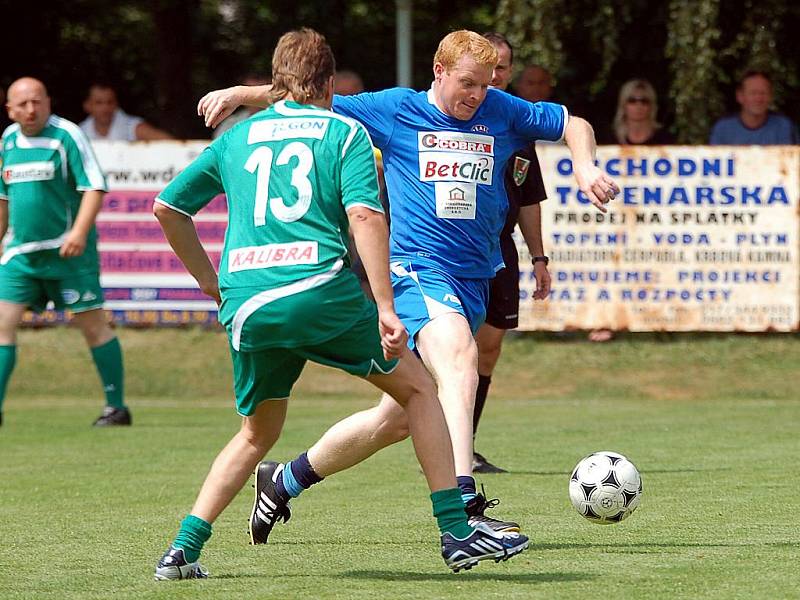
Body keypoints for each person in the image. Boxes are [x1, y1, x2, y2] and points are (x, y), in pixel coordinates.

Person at [197, 29, 618, 542]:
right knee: (459, 358)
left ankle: (284, 480)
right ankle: (466, 506)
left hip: (473, 277)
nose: (477, 96)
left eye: (485, 86)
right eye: (467, 83)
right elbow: (312, 95)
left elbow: (574, 122)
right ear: (439, 72)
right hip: (416, 269)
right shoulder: (395, 109)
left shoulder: (503, 110)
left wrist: (585, 164)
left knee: (395, 420)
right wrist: (243, 95)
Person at [153, 28, 528, 580]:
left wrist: (212, 285)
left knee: (257, 433)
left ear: (276, 81)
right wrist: (383, 305)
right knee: (423, 388)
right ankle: (456, 530)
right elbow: (366, 217)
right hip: (319, 292)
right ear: (330, 82)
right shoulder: (341, 132)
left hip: (246, 303)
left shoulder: (238, 137)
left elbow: (167, 208)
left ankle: (182, 550)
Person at [0, 77, 129, 427]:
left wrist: (79, 233)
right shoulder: (8, 141)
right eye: (22, 104)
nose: (30, 109)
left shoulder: (67, 135)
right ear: (9, 109)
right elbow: (4, 199)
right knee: (2, 326)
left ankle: (116, 407)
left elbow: (94, 186)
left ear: (47, 101)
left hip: (69, 253)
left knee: (94, 326)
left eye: (36, 101)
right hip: (20, 256)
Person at [469, 33, 551, 474]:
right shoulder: (450, 115)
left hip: (501, 251)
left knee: (489, 348)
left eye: (502, 68)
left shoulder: (519, 123)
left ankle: (466, 442)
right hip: (453, 251)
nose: (495, 76)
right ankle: (446, 445)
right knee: (453, 349)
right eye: (489, 67)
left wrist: (539, 258)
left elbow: (528, 196)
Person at [709, 70, 799, 145]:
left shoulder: (783, 126)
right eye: (753, 93)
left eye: (763, 93)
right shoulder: (723, 129)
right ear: (740, 96)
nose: (758, 98)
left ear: (771, 96)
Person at [80, 83, 174, 141]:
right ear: (87, 106)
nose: (105, 108)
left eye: (110, 102)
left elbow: (171, 143)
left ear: (116, 104)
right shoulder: (80, 132)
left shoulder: (132, 127)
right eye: (99, 103)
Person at [610, 79, 674, 145]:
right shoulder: (610, 138)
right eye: (632, 100)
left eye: (644, 101)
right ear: (623, 105)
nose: (639, 106)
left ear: (652, 106)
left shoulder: (665, 138)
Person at [212, 74, 271, 139]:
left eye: (256, 91)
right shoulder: (232, 122)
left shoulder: (277, 117)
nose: (251, 96)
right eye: (248, 91)